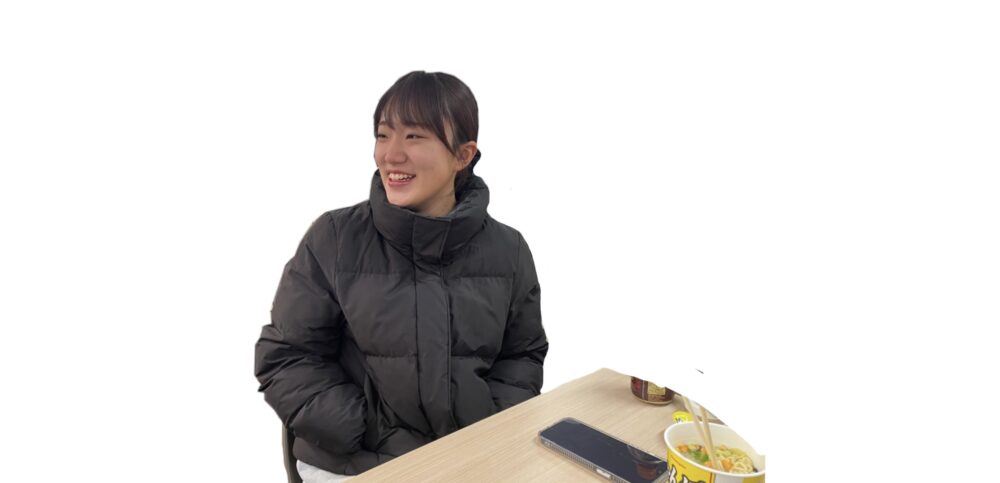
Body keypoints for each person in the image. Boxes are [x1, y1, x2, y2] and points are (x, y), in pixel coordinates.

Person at [254, 71, 549, 482]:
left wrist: (485, 430)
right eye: (383, 135)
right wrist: (368, 431)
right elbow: (286, 357)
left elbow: (522, 356)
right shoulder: (335, 238)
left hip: (467, 461)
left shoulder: (508, 250)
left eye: (414, 136)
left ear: (463, 156)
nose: (391, 155)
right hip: (353, 462)